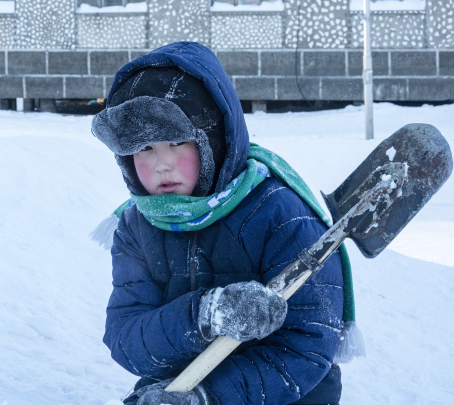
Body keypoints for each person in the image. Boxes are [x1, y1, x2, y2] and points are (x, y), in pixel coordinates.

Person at [91, 42, 354, 405]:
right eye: (144, 148)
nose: (161, 164)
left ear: (214, 139)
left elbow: (307, 347)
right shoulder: (137, 225)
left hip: (285, 393)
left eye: (177, 141)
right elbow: (126, 338)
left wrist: (208, 398)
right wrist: (203, 316)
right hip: (178, 387)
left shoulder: (279, 213)